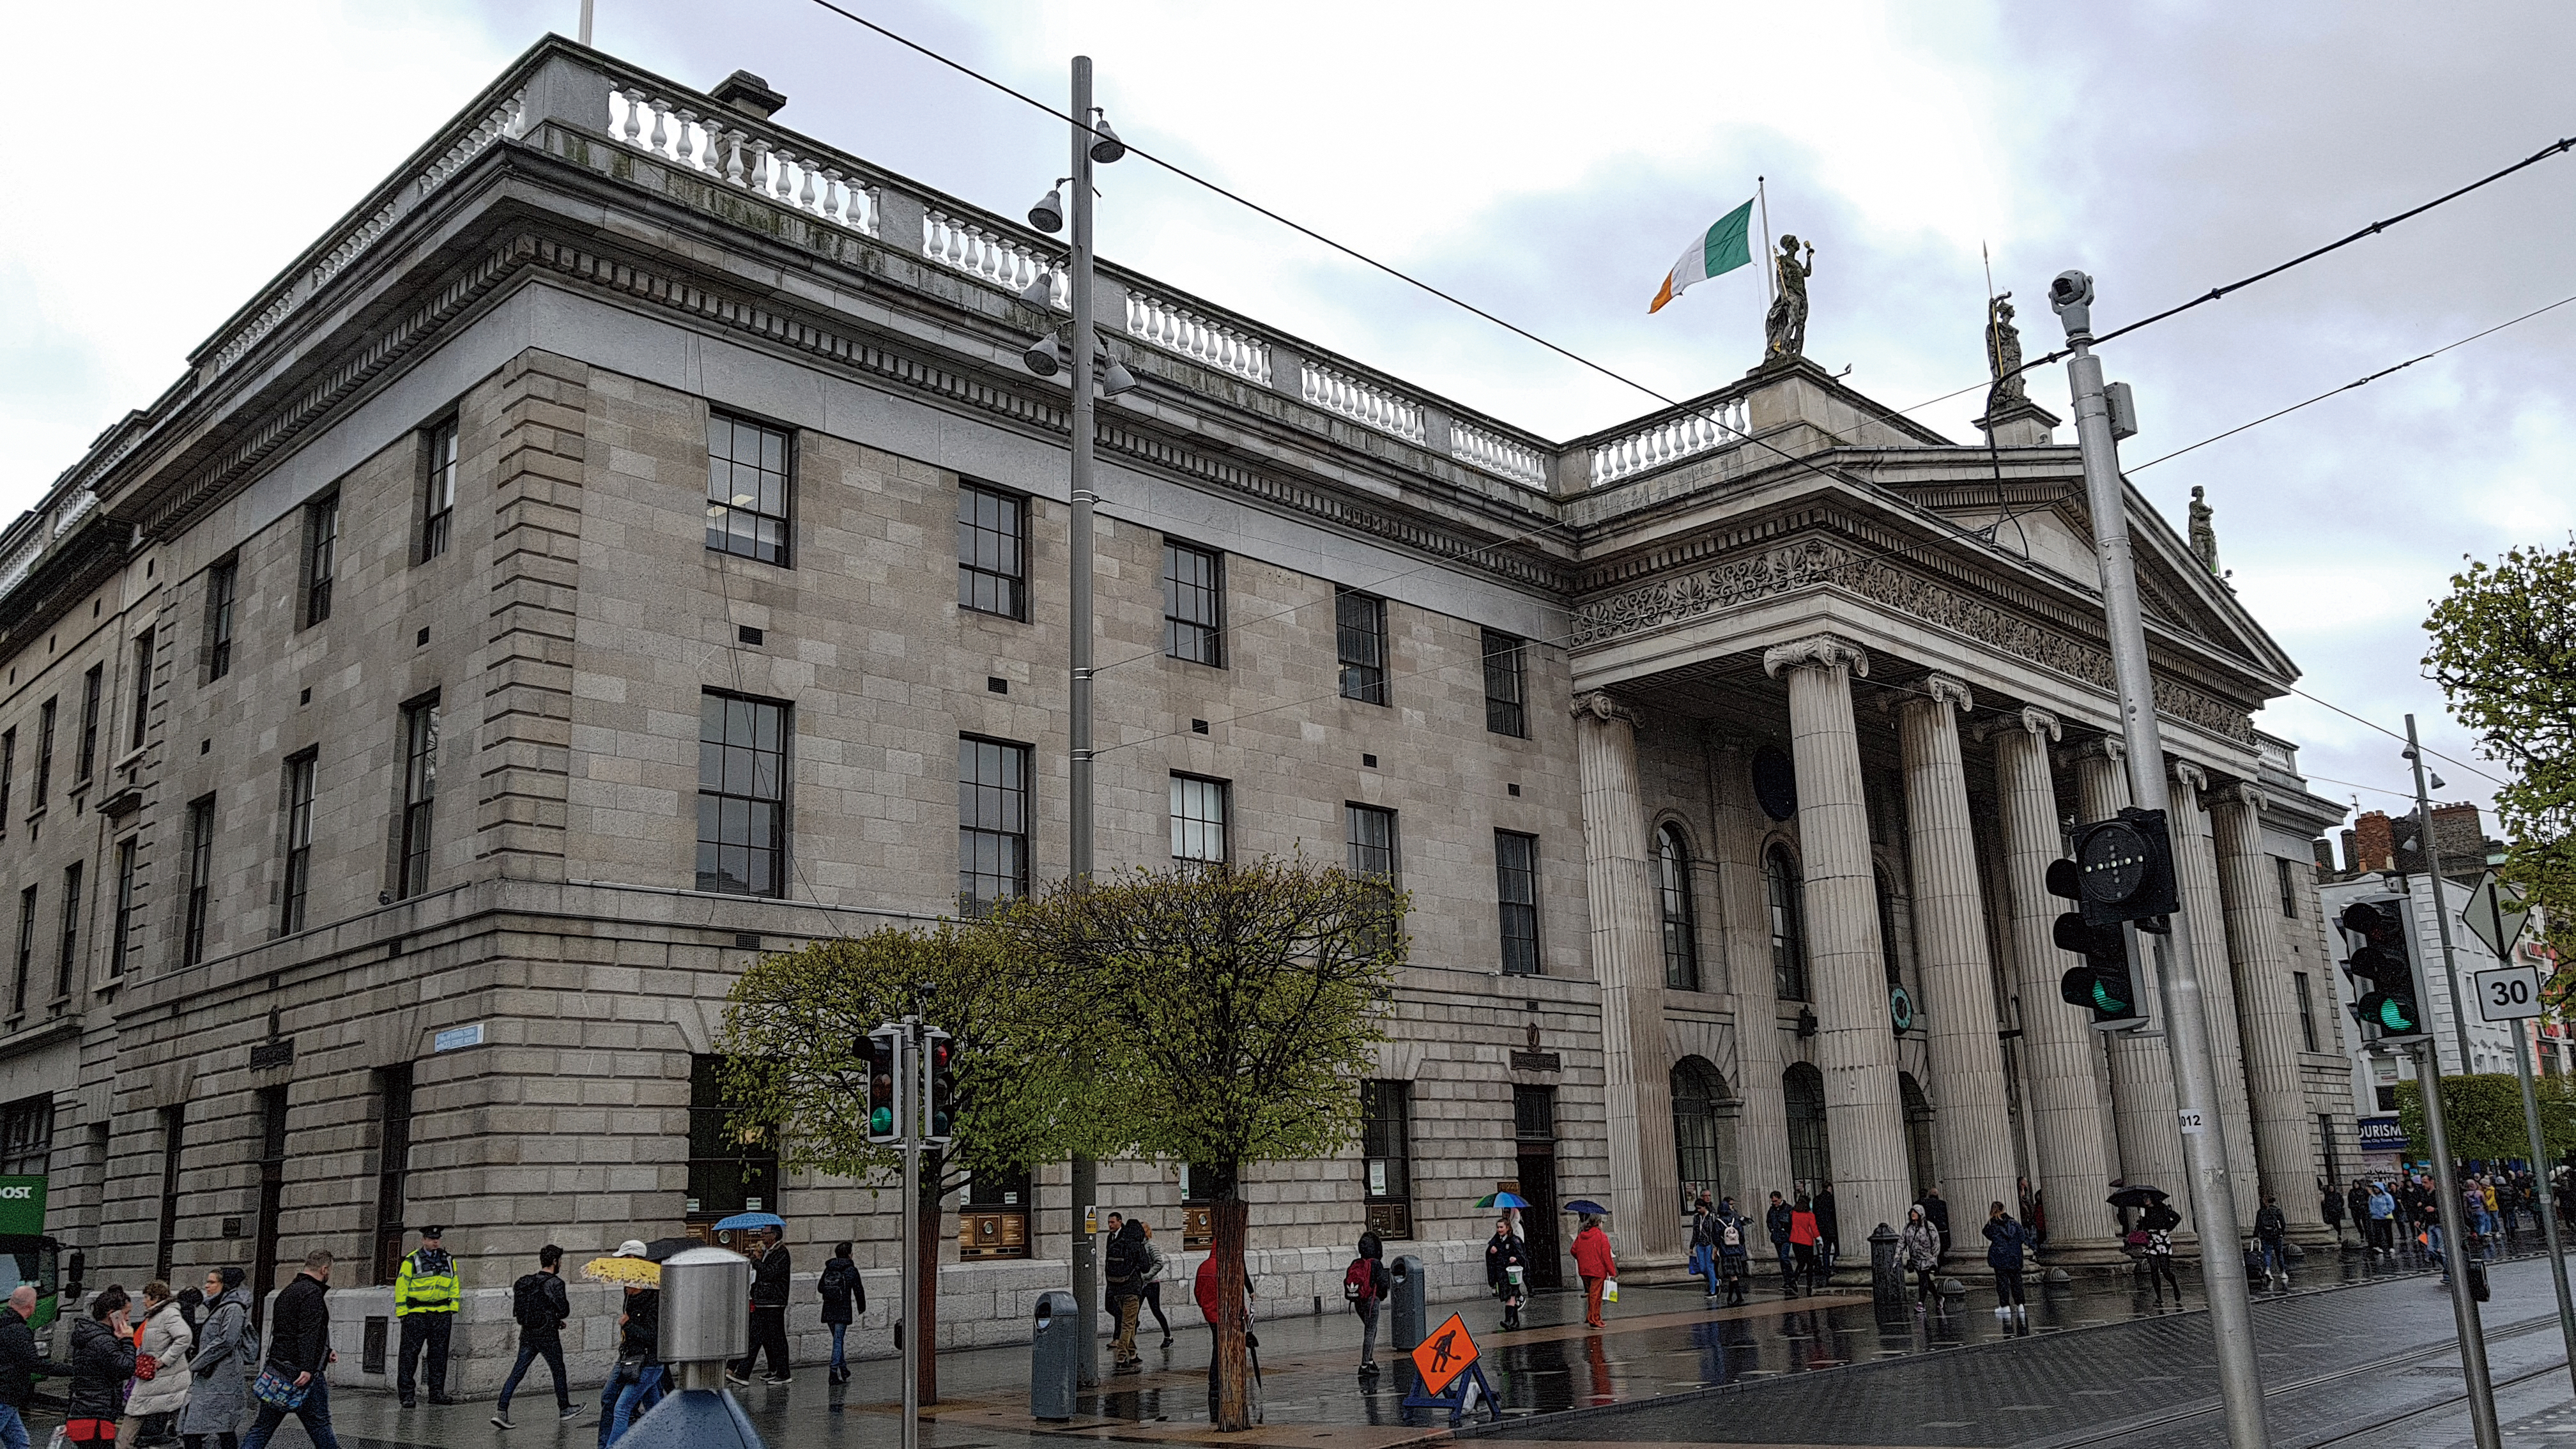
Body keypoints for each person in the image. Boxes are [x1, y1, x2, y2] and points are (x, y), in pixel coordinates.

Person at [243, 1250, 339, 1449]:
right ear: (324, 1269)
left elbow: (287, 1331)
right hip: (302, 1374)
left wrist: (326, 1349)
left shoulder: (287, 1292)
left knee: (263, 1427)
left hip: (279, 1370)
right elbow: (307, 1333)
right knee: (320, 1425)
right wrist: (308, 1367)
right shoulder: (313, 1294)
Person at [493, 1245, 579, 1429]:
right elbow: (563, 1310)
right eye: (560, 1261)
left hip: (528, 1333)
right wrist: (557, 1319)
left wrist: (555, 1320)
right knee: (558, 1370)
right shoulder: (555, 1283)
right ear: (555, 1262)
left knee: (518, 1371)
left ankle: (501, 1411)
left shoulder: (528, 1282)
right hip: (547, 1335)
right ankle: (564, 1408)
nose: (561, 1264)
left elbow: (540, 1309)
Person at [598, 1243, 663, 1449]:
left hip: (647, 1362)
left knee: (622, 1408)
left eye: (623, 1258)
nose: (620, 1264)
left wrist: (629, 1325)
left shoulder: (654, 1294)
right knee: (612, 1399)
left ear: (634, 1259)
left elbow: (653, 1336)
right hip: (628, 1358)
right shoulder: (629, 1291)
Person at [180, 1268, 253, 1449]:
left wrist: (196, 1363)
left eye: (212, 1282)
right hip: (209, 1375)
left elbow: (227, 1341)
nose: (206, 1286)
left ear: (224, 1285)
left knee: (220, 1426)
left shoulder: (234, 1308)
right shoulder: (215, 1306)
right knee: (199, 1426)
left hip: (222, 1375)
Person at [124, 1280, 197, 1447]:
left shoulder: (168, 1314)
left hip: (162, 1375)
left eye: (146, 1297)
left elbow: (185, 1336)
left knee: (136, 1413)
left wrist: (164, 1360)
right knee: (175, 1416)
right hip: (158, 1375)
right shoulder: (158, 1314)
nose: (143, 1301)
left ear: (156, 1298)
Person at [393, 1225, 459, 1407]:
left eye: (437, 1238)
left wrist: (452, 1308)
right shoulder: (412, 1260)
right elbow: (401, 1286)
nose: (435, 1241)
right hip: (417, 1314)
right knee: (409, 1356)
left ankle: (436, 1393)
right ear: (423, 1240)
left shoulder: (448, 1260)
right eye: (431, 1238)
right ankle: (407, 1395)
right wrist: (403, 1313)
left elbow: (454, 1285)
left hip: (441, 1314)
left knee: (438, 1356)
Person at [0, 1282, 70, 1449]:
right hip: (5, 1394)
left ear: (11, 1302)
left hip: (9, 1397)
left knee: (20, 1442)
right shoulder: (19, 1332)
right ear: (31, 1307)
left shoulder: (3, 1324)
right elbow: (35, 1365)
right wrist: (71, 1370)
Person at [65, 1285, 137, 1446]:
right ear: (113, 1314)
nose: (127, 1319)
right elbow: (126, 1368)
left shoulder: (90, 1335)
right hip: (97, 1416)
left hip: (83, 1412)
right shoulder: (104, 1341)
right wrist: (127, 1340)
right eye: (126, 1313)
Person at [726, 1230, 791, 1386]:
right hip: (764, 1300)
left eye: (765, 1232)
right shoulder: (769, 1251)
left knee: (773, 1338)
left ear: (774, 1235)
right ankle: (771, 1371)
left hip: (773, 1301)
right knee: (762, 1337)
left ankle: (780, 1374)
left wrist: (757, 1262)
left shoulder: (781, 1252)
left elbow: (771, 1273)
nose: (762, 1235)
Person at [818, 1241, 863, 1386]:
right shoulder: (851, 1270)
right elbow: (858, 1290)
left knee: (838, 1340)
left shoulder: (829, 1268)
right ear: (849, 1254)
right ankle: (833, 1373)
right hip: (842, 1310)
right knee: (838, 1341)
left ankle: (843, 1370)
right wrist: (861, 1307)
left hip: (829, 1309)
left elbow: (820, 1287)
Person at [1104, 1218, 1146, 1374]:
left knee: (1129, 1322)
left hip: (1117, 1290)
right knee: (1128, 1325)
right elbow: (1146, 1267)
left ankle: (1133, 1354)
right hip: (1132, 1290)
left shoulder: (1115, 1244)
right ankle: (1121, 1358)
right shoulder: (1137, 1246)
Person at [1344, 1230, 1389, 1373]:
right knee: (1370, 1332)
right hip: (1371, 1301)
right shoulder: (1376, 1264)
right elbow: (1382, 1284)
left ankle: (1369, 1360)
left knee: (1371, 1330)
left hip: (1358, 1302)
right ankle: (1365, 1365)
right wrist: (1380, 1297)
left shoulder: (1356, 1263)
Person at [1982, 1202, 2033, 1322]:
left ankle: (2005, 1306)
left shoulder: (1992, 1225)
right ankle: (2020, 1304)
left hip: (2000, 1256)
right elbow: (2022, 1237)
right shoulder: (2014, 1223)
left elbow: (1986, 1233)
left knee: (2002, 1282)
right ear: (2004, 1209)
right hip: (2014, 1256)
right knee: (2017, 1281)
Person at [1570, 1214, 1616, 1330]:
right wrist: (1612, 1272)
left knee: (1591, 1294)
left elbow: (1573, 1250)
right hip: (1597, 1270)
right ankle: (1594, 1319)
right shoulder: (1601, 1236)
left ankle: (1592, 1316)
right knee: (1596, 1295)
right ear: (1599, 1223)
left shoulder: (1581, 1236)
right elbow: (1606, 1256)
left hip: (1584, 1270)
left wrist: (1582, 1259)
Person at [1483, 1217, 1529, 1330]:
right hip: (1502, 1274)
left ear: (1507, 1228)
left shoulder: (1514, 1240)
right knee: (1508, 1297)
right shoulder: (1496, 1242)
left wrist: (1515, 1258)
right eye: (1498, 1227)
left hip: (1513, 1273)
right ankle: (1516, 1322)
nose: (1499, 1230)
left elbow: (1522, 1256)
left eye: (1501, 1227)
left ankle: (1508, 1320)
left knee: (1511, 1297)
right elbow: (1490, 1259)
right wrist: (1491, 1251)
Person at [1138, 1223, 1173, 1350]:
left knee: (1156, 1310)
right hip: (1142, 1283)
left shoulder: (1151, 1246)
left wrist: (1148, 1275)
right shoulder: (1139, 1246)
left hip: (1152, 1284)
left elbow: (1159, 1262)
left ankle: (1168, 1336)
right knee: (1134, 1312)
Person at [1900, 1206, 1943, 1308]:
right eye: (1912, 1212)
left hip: (1926, 1258)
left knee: (1923, 1278)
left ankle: (1921, 1303)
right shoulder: (1909, 1227)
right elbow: (1903, 1241)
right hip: (1916, 1258)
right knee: (1926, 1279)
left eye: (1915, 1212)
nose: (1913, 1214)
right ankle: (1938, 1298)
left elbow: (1936, 1242)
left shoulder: (1929, 1226)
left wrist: (1933, 1257)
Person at [1713, 1197, 1752, 1307]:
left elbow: (1716, 1238)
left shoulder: (1718, 1222)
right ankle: (1730, 1298)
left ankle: (1739, 1297)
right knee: (1733, 1275)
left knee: (1732, 1275)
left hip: (1726, 1251)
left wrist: (1718, 1246)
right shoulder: (1735, 1220)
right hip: (1736, 1250)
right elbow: (1742, 1235)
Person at [2140, 1204, 2182, 1305]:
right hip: (2150, 1240)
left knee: (2165, 1270)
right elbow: (2143, 1226)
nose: (2145, 1200)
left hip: (2162, 1239)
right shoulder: (2143, 1210)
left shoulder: (2162, 1208)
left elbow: (2177, 1218)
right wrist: (2142, 1220)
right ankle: (2159, 1297)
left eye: (2147, 1197)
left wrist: (2167, 1228)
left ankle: (2175, 1286)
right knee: (2154, 1269)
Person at [1788, 1195, 1823, 1296]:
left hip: (1795, 1241)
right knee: (1809, 1265)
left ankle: (1794, 1278)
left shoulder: (1793, 1213)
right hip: (1806, 1242)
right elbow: (1814, 1228)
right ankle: (1809, 1285)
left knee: (1801, 1263)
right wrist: (1819, 1239)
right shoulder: (1810, 1215)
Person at [1688, 1193, 1721, 1298]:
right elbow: (1695, 1232)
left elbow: (1716, 1231)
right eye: (1697, 1208)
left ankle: (1713, 1290)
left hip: (1709, 1245)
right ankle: (1715, 1281)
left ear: (1704, 1207)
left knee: (1710, 1267)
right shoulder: (1696, 1218)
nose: (1698, 1210)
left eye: (1700, 1208)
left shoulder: (1712, 1217)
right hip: (1700, 1244)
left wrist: (1716, 1246)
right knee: (1702, 1268)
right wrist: (1691, 1246)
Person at [2253, 1193, 2288, 1286]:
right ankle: (2283, 1273)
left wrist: (2256, 1235)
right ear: (2274, 1202)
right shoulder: (2277, 1211)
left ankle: (2268, 1269)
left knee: (2267, 1253)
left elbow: (2258, 1225)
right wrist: (2282, 1234)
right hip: (2277, 1235)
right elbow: (2283, 1224)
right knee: (2279, 1254)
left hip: (2265, 1235)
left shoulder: (2261, 1212)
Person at [1765, 1192, 1795, 1296]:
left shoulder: (1788, 1208)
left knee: (1784, 1257)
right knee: (1782, 1260)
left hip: (1786, 1236)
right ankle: (1787, 1281)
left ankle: (1791, 1279)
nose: (1774, 1203)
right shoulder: (1772, 1210)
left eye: (1776, 1201)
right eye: (1773, 1201)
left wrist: (1787, 1230)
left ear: (1780, 1199)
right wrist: (1772, 1229)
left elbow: (1792, 1222)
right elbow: (1768, 1221)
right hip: (1777, 1236)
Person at [1813, 1183, 1839, 1273]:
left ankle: (1826, 1268)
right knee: (1838, 1249)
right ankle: (1835, 1266)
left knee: (1826, 1250)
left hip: (1823, 1229)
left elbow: (1816, 1215)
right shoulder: (1832, 1199)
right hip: (1833, 1228)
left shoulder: (1817, 1199)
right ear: (1829, 1188)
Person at [2366, 1181, 2396, 1256]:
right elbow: (2371, 1207)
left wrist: (2385, 1212)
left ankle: (2391, 1247)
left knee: (2388, 1232)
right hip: (2376, 1217)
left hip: (2386, 1217)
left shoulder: (2387, 1196)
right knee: (2378, 1233)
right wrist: (2374, 1213)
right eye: (2374, 1188)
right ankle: (2380, 1247)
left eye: (2377, 1188)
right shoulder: (2372, 1197)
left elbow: (2391, 1206)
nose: (2375, 1189)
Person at [1922, 1189, 1954, 1256]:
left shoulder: (1925, 1203)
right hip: (1942, 1229)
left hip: (1931, 1228)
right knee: (1941, 1248)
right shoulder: (1942, 1203)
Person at [2319, 1178, 2347, 1247]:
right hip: (2330, 1212)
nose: (2331, 1189)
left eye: (2332, 1188)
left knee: (2338, 1224)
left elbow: (2342, 1202)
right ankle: (2337, 1234)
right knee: (2333, 1223)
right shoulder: (2328, 1195)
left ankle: (2339, 1235)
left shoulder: (2338, 1195)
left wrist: (2339, 1208)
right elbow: (2326, 1203)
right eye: (2330, 1188)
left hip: (2337, 1212)